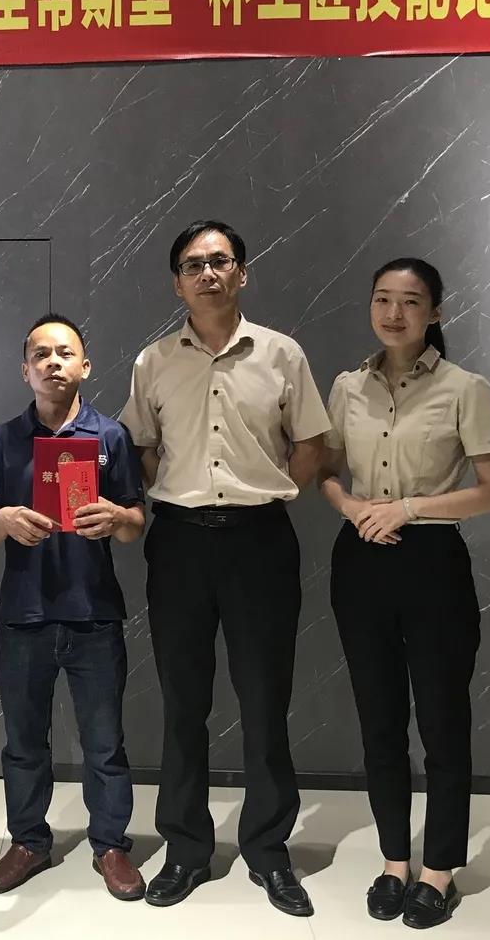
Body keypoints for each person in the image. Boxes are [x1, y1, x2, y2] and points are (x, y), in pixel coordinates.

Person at [120, 220, 329, 915]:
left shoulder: (282, 354)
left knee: (265, 700)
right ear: (176, 282)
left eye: (219, 261)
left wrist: (271, 491)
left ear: (242, 272)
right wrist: (175, 489)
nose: (206, 273)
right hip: (179, 543)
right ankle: (186, 849)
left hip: (259, 543)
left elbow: (310, 444)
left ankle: (268, 851)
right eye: (192, 265)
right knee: (184, 702)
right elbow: (142, 446)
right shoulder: (153, 361)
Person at [318, 257, 490, 929]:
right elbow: (326, 471)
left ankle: (440, 870)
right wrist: (353, 508)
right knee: (379, 721)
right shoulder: (347, 386)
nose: (394, 313)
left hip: (432, 561)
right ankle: (395, 862)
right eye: (382, 299)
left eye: (410, 301)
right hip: (359, 560)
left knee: (442, 721)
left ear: (435, 312)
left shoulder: (465, 388)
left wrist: (408, 508)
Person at [0, 314, 147, 900]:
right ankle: (28, 842)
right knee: (24, 742)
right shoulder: (3, 440)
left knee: (104, 742)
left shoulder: (110, 436)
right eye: (41, 354)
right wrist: (3, 520)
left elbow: (135, 523)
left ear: (84, 366)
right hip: (25, 614)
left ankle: (111, 845)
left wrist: (117, 517)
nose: (53, 362)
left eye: (64, 353)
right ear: (25, 370)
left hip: (94, 613)